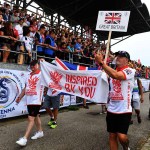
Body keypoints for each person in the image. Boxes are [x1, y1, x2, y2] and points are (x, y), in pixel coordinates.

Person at [95, 51, 135, 150]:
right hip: (111, 109)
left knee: (121, 137)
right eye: (117, 56)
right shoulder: (112, 71)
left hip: (124, 110)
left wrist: (101, 63)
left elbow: (117, 75)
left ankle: (126, 147)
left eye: (121, 57)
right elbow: (107, 77)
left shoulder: (130, 71)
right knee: (112, 136)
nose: (117, 58)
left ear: (127, 60)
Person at [15, 60, 44, 146]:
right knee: (36, 117)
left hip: (37, 100)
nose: (32, 67)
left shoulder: (42, 74)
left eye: (34, 65)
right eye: (31, 65)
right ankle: (40, 132)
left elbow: (50, 73)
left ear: (38, 65)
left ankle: (24, 139)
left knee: (30, 118)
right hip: (29, 100)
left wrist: (44, 62)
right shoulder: (28, 75)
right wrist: (20, 97)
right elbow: (25, 88)